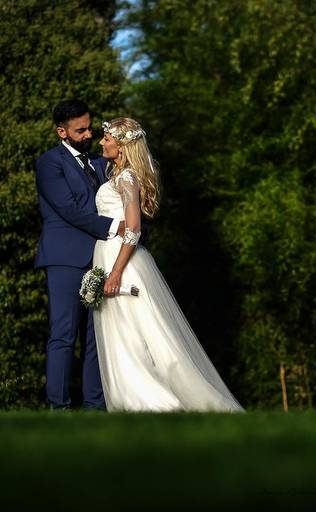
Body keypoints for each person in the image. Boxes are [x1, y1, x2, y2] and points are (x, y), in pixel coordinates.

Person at [93, 117, 243, 412]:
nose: (102, 142)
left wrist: (116, 272)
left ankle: (149, 400)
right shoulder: (120, 176)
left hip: (120, 261)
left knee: (132, 330)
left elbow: (133, 229)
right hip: (111, 256)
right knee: (125, 329)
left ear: (121, 146)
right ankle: (130, 396)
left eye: (107, 138)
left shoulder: (126, 179)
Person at [35, 99, 125, 410]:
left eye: (89, 128)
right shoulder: (50, 163)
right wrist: (116, 227)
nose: (88, 134)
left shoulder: (100, 163)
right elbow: (69, 210)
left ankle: (94, 407)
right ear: (62, 132)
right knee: (63, 335)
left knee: (95, 338)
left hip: (100, 256)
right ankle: (58, 407)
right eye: (80, 130)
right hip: (65, 259)